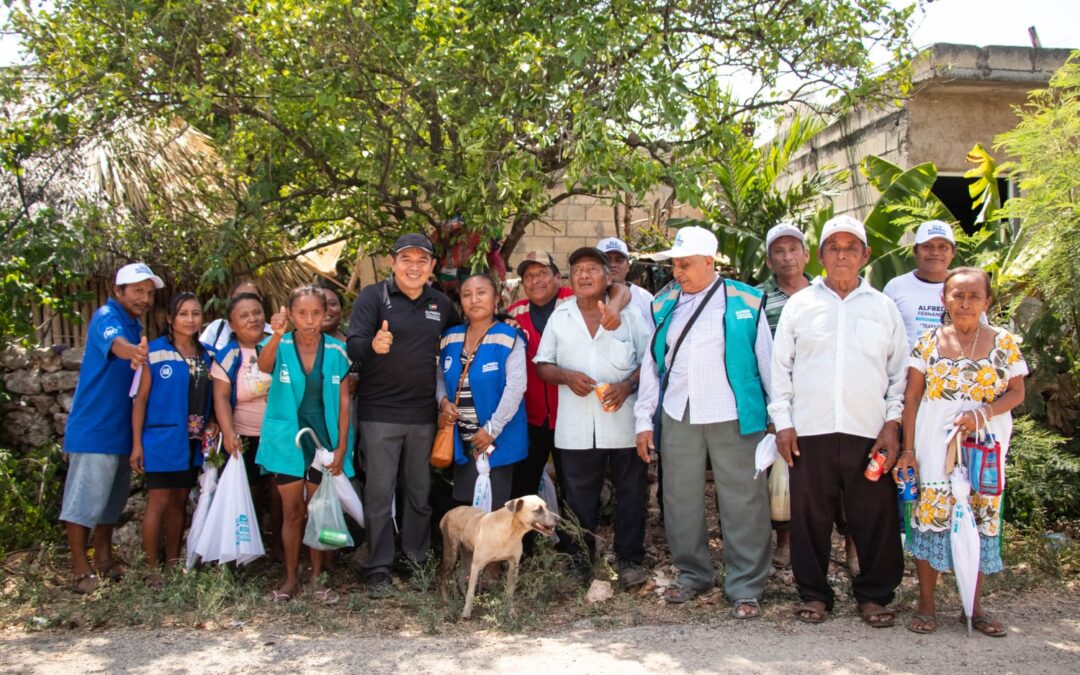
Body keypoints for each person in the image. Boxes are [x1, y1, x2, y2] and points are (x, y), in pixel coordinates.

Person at [769, 215, 908, 627]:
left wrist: (893, 424)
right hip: (809, 430)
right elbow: (780, 369)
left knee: (875, 516)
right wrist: (783, 422)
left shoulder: (883, 307)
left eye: (851, 248)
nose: (843, 255)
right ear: (821, 255)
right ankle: (814, 594)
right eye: (834, 247)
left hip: (869, 431)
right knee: (810, 515)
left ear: (865, 255)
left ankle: (875, 594)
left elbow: (898, 374)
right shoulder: (801, 305)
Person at [634, 227, 774, 618]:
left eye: (685, 264)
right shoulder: (664, 305)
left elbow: (767, 362)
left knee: (743, 500)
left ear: (709, 262)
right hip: (680, 411)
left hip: (734, 413)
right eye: (674, 264)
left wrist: (780, 418)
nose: (678, 272)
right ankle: (694, 574)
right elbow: (651, 365)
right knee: (679, 498)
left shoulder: (746, 300)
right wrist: (643, 419)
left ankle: (746, 585)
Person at [898, 267, 1026, 637]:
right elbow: (912, 397)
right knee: (931, 516)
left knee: (981, 519)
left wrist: (982, 412)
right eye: (957, 295)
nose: (965, 302)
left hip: (984, 446)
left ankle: (974, 606)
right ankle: (926, 604)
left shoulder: (1003, 342)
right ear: (944, 299)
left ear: (987, 301)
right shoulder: (928, 342)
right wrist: (908, 450)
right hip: (934, 447)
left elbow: (1017, 392)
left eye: (973, 296)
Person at [346, 233, 460, 597]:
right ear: (392, 264)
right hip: (379, 414)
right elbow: (353, 344)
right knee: (379, 493)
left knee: (419, 494)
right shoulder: (373, 297)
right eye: (406, 259)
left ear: (431, 267)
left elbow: (461, 339)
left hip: (424, 415)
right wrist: (372, 346)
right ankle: (378, 567)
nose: (414, 267)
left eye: (421, 260)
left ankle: (415, 561)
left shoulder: (441, 304)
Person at [536, 247, 651, 589]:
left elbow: (651, 363)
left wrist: (628, 385)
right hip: (575, 427)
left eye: (592, 269)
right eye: (578, 270)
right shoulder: (561, 316)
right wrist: (567, 376)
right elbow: (543, 365)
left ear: (608, 276)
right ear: (570, 280)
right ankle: (580, 564)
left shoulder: (629, 316)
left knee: (631, 494)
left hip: (623, 422)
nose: (584, 275)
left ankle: (630, 561)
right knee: (577, 498)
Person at [755, 222, 858, 573]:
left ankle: (851, 545)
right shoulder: (758, 299)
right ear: (769, 260)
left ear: (806, 253)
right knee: (786, 476)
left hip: (830, 399)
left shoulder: (827, 292)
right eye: (778, 252)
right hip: (781, 401)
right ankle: (785, 541)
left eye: (793, 249)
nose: (787, 257)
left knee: (845, 477)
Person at [60, 262, 160, 594]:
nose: (144, 298)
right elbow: (115, 344)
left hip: (120, 430)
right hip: (95, 428)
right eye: (137, 291)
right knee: (84, 500)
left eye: (148, 293)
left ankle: (103, 559)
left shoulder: (133, 324)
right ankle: (79, 569)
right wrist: (132, 352)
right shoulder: (107, 316)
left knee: (111, 501)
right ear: (118, 291)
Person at [506, 252, 631, 507]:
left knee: (575, 489)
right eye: (528, 276)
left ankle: (573, 541)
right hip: (532, 418)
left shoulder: (576, 300)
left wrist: (615, 305)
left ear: (557, 276)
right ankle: (528, 545)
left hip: (573, 416)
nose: (535, 281)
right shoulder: (514, 313)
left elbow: (618, 288)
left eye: (542, 273)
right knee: (524, 487)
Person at [257, 285, 354, 604]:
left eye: (317, 313)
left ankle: (317, 579)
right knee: (291, 512)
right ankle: (290, 578)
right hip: (287, 438)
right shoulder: (281, 344)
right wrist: (275, 334)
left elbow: (343, 403)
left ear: (326, 314)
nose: (310, 320)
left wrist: (341, 447)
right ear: (290, 314)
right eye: (302, 313)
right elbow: (263, 366)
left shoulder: (338, 351)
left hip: (322, 439)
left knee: (319, 511)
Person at [130, 292, 216, 588]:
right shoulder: (153, 353)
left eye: (195, 313)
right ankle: (153, 568)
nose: (190, 320)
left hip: (192, 441)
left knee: (180, 501)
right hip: (161, 438)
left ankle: (173, 563)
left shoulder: (207, 355)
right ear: (169, 318)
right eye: (183, 314)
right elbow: (140, 400)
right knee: (159, 502)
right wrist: (137, 444)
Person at [437, 274, 528, 509]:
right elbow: (438, 375)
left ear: (496, 298)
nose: (474, 299)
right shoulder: (449, 337)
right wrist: (443, 402)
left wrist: (491, 429)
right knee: (466, 511)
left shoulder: (509, 337)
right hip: (463, 441)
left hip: (497, 440)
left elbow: (516, 387)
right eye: (467, 295)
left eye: (481, 293)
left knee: (495, 511)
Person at [210, 292, 278, 558]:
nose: (253, 319)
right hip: (243, 436)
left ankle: (279, 547)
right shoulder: (228, 355)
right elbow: (221, 397)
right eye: (244, 315)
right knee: (249, 491)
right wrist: (228, 433)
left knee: (279, 491)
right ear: (232, 324)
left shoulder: (279, 344)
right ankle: (248, 548)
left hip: (277, 435)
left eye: (257, 312)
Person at [884, 220, 958, 348]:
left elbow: (980, 332)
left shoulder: (964, 286)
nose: (935, 252)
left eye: (943, 247)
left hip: (954, 366)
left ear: (953, 252)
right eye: (927, 246)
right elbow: (883, 335)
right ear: (915, 251)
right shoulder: (896, 287)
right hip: (906, 367)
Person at [596, 237, 654, 326]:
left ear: (628, 267)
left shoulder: (645, 298)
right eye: (606, 260)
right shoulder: (587, 296)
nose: (612, 265)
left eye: (619, 260)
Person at [200, 280, 272, 351]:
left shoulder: (273, 333)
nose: (246, 301)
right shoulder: (217, 328)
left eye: (252, 296)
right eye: (239, 297)